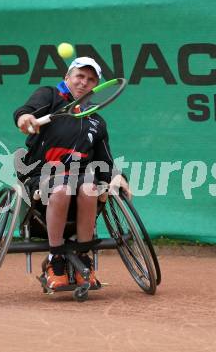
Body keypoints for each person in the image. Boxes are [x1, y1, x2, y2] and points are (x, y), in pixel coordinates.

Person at [13, 57, 129, 290]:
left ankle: (83, 257)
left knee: (89, 188)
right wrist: (25, 119)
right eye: (79, 76)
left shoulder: (96, 121)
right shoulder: (49, 96)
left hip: (80, 179)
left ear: (95, 85)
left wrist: (119, 177)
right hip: (41, 176)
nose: (84, 82)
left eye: (90, 79)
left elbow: (104, 161)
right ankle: (55, 260)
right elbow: (26, 111)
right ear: (67, 78)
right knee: (63, 187)